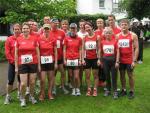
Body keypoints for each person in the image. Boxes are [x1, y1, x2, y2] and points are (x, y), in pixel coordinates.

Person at [15, 22, 41, 107]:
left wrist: (39, 65)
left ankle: (32, 96)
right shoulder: (18, 39)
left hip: (33, 63)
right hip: (22, 64)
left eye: (27, 28)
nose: (25, 30)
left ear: (29, 29)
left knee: (32, 82)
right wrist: (16, 66)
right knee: (23, 84)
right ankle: (22, 98)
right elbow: (16, 54)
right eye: (24, 28)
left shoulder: (34, 39)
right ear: (22, 30)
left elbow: (38, 52)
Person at [117, 19, 139, 99]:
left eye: (125, 24)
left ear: (129, 26)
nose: (124, 26)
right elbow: (117, 49)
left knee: (130, 75)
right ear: (120, 26)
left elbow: (136, 48)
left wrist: (134, 60)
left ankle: (131, 91)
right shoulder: (118, 36)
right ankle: (123, 89)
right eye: (122, 24)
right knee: (122, 75)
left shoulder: (133, 35)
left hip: (130, 59)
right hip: (121, 60)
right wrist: (117, 60)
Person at [38, 24, 57, 101]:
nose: (46, 30)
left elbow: (55, 51)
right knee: (42, 79)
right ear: (43, 29)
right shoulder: (39, 38)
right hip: (42, 61)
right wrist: (39, 63)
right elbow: (37, 51)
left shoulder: (53, 39)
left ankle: (49, 93)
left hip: (50, 61)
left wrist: (55, 63)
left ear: (50, 30)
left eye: (48, 29)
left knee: (50, 78)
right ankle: (42, 93)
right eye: (45, 29)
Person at [50, 18, 69, 95]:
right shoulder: (48, 31)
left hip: (60, 56)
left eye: (57, 23)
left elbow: (65, 45)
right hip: (52, 57)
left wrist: (65, 56)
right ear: (51, 24)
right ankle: (54, 88)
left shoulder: (62, 32)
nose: (56, 24)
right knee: (53, 74)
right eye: (54, 23)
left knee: (63, 73)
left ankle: (63, 86)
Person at [4, 23, 21, 105]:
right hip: (12, 63)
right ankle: (8, 96)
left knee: (20, 80)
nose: (17, 30)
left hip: (21, 63)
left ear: (20, 30)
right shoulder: (9, 39)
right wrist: (14, 62)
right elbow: (7, 53)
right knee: (10, 80)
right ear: (13, 30)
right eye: (15, 29)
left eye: (18, 29)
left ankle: (19, 93)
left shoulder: (22, 38)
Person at [82, 22, 100, 97]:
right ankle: (89, 89)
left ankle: (95, 89)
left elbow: (99, 49)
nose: (87, 29)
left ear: (92, 27)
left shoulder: (97, 37)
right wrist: (83, 59)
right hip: (87, 59)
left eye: (88, 27)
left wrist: (99, 59)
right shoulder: (84, 38)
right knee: (87, 76)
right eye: (86, 28)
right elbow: (83, 49)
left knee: (95, 75)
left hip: (95, 58)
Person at [63, 23, 82, 96]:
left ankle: (78, 88)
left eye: (74, 28)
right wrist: (64, 59)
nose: (73, 30)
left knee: (76, 76)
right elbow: (64, 49)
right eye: (71, 28)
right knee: (71, 76)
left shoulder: (79, 39)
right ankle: (73, 88)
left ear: (76, 29)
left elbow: (80, 49)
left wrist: (80, 59)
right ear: (69, 29)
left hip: (76, 59)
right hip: (69, 59)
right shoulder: (66, 38)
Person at [100, 27, 119, 99]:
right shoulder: (102, 42)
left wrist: (117, 61)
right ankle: (108, 90)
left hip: (113, 60)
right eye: (106, 33)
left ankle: (115, 91)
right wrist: (101, 61)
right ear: (104, 34)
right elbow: (101, 52)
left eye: (109, 33)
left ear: (112, 34)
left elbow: (118, 52)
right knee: (107, 76)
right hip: (105, 61)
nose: (108, 34)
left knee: (114, 76)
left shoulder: (115, 41)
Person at [94, 18, 106, 87]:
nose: (99, 24)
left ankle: (104, 81)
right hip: (98, 52)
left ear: (103, 23)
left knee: (104, 67)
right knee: (98, 66)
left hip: (105, 52)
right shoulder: (95, 32)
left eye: (101, 22)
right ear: (96, 24)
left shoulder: (106, 31)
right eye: (98, 22)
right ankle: (99, 81)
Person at [77, 19, 88, 87]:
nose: (82, 26)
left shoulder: (88, 33)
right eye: (80, 25)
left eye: (83, 25)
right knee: (80, 70)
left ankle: (87, 83)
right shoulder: (77, 34)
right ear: (79, 25)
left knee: (87, 70)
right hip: (80, 54)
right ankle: (80, 82)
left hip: (88, 54)